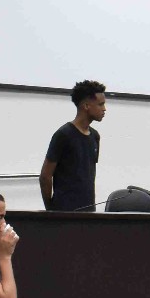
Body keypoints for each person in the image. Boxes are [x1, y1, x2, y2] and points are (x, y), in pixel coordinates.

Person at [41, 80, 105, 211]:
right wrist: (50, 210)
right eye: (100, 104)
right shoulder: (63, 135)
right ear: (86, 106)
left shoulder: (95, 136)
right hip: (64, 211)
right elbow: (45, 176)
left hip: (88, 209)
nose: (104, 109)